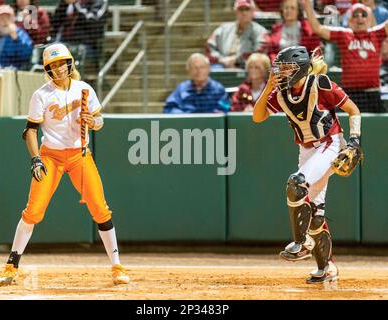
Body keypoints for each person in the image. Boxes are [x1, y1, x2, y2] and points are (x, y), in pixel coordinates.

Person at [0, 43, 130, 287]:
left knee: (100, 209)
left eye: (61, 63)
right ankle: (11, 265)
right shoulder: (41, 95)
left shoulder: (84, 89)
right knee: (33, 211)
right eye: (52, 65)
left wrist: (95, 121)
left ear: (70, 63)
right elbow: (30, 132)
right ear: (47, 69)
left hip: (79, 155)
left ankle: (116, 266)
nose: (58, 69)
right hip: (51, 156)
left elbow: (99, 120)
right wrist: (35, 158)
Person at [253, 46, 362, 284]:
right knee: (314, 214)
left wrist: (354, 141)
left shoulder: (319, 83)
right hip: (306, 150)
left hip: (330, 144)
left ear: (300, 68)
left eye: (286, 69)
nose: (280, 73)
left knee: (297, 184)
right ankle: (327, 267)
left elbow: (353, 110)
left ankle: (301, 243)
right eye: (279, 69)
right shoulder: (281, 93)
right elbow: (257, 116)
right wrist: (268, 87)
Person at [304, 0, 387, 112]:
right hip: (350, 94)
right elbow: (317, 28)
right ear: (350, 21)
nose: (359, 18)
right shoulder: (344, 34)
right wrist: (307, 3)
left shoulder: (377, 34)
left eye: (363, 14)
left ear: (369, 19)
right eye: (355, 15)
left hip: (372, 93)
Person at [205, 0, 267, 70]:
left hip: (247, 67)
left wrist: (236, 59)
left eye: (247, 9)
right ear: (235, 11)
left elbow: (259, 52)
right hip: (222, 64)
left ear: (253, 11)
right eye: (241, 9)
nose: (244, 13)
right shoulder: (223, 28)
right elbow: (209, 46)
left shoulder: (260, 31)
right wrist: (221, 59)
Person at [163, 53, 230, 113]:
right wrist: (183, 116)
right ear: (188, 70)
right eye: (194, 68)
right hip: (186, 124)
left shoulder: (218, 89)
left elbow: (225, 109)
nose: (198, 71)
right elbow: (169, 108)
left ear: (208, 69)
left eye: (202, 67)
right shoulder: (181, 88)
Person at [51, 0, 108, 67]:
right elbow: (55, 24)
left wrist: (76, 5)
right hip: (65, 43)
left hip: (87, 46)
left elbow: (92, 21)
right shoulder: (70, 4)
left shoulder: (100, 2)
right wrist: (63, 4)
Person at [0, 4, 33, 69]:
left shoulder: (20, 34)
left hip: (13, 73)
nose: (4, 21)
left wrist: (16, 39)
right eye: (1, 18)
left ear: (13, 19)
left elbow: (26, 56)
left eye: (7, 17)